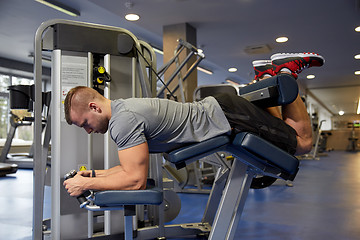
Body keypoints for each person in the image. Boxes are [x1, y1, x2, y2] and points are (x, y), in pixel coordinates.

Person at [63, 52, 324, 197]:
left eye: (84, 123)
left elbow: (135, 180)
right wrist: (95, 175)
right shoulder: (122, 113)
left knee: (301, 143)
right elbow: (127, 168)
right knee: (277, 129)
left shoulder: (122, 121)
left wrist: (84, 185)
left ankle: (286, 71)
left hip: (229, 117)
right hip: (226, 113)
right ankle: (266, 74)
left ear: (94, 107)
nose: (88, 131)